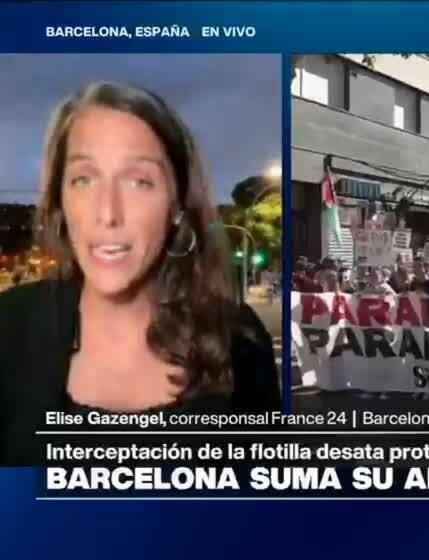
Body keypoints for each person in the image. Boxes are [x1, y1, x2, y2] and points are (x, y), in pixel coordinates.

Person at [0, 82, 279, 465]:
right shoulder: (8, 327)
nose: (107, 213)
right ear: (60, 200)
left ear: (177, 205)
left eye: (139, 182)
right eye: (84, 179)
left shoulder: (239, 341)